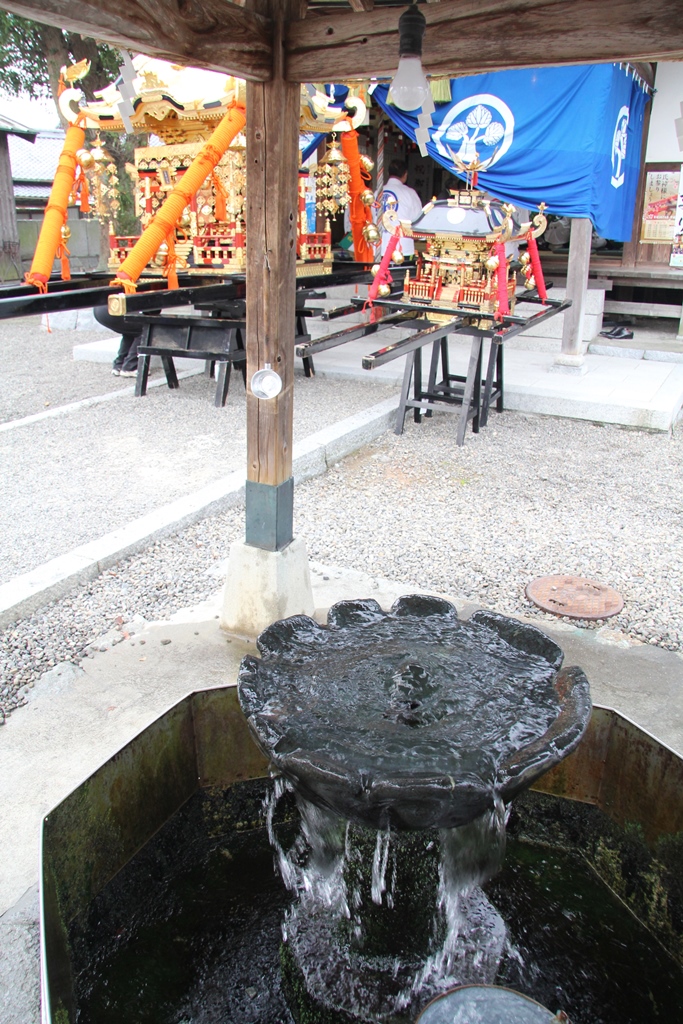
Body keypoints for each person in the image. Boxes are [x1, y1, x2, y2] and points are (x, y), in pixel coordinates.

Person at [375, 158, 423, 258]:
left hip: (377, 248)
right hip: (402, 249)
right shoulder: (410, 193)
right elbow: (419, 224)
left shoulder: (377, 193)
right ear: (405, 174)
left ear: (388, 173)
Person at [93, 305, 142, 377]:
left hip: (100, 308)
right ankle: (131, 367)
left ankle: (119, 364)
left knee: (132, 330)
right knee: (146, 327)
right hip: (113, 309)